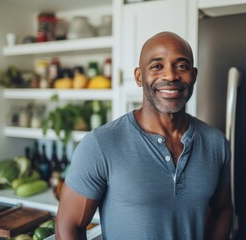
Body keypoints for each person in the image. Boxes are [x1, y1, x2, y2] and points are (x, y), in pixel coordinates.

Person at [56, 31, 233, 240]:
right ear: (139, 77)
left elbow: (222, 210)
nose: (171, 76)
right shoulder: (101, 144)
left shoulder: (215, 142)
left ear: (193, 75)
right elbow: (68, 228)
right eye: (157, 66)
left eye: (181, 66)